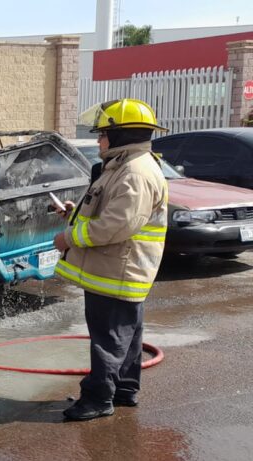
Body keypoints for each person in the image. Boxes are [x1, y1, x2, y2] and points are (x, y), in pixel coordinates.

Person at [54, 98, 169, 421]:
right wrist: (71, 212)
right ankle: (124, 391)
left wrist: (69, 237)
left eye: (103, 134)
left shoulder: (135, 172)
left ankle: (96, 399)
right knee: (127, 336)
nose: (98, 140)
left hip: (118, 270)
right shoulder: (125, 166)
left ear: (121, 135)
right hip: (120, 269)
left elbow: (116, 226)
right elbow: (112, 212)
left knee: (109, 338)